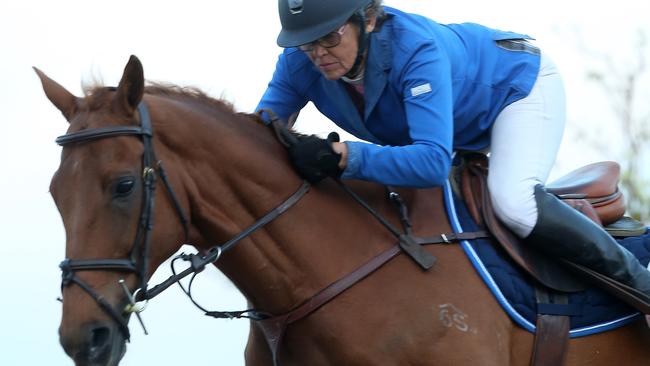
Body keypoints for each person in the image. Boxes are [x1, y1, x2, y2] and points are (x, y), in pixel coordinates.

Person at [256, 0, 650, 299]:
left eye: (329, 37)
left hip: (515, 90)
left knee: (513, 201)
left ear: (369, 18)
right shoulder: (297, 64)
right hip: (452, 120)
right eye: (307, 43)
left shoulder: (415, 48)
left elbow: (430, 163)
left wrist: (345, 157)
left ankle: (640, 284)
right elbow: (260, 134)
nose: (318, 54)